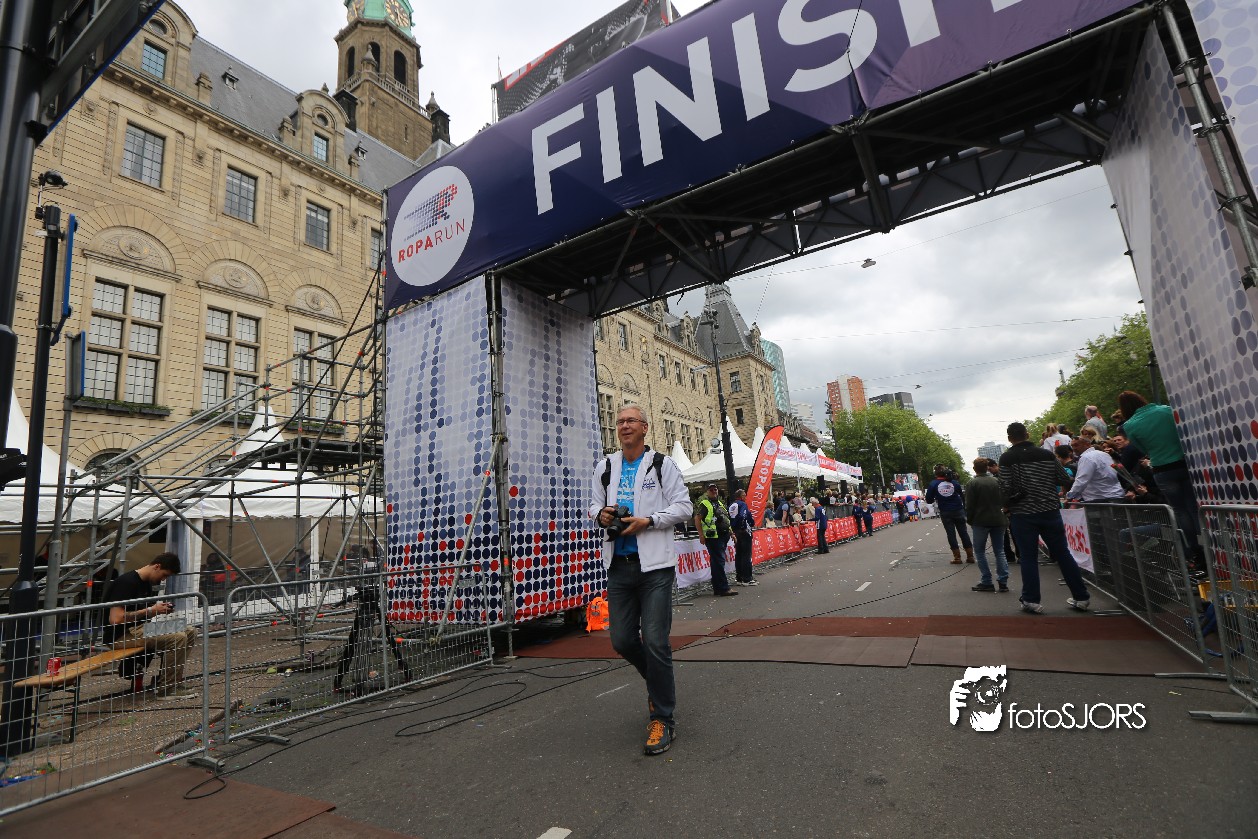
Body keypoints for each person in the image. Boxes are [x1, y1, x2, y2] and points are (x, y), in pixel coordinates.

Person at [590, 404, 693, 755]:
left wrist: (648, 521)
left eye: (631, 420)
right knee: (621, 640)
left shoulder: (662, 464)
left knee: (655, 640)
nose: (624, 425)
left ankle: (662, 717)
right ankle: (660, 683)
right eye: (620, 421)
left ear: (645, 428)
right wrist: (602, 515)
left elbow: (683, 507)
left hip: (655, 568)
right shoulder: (605, 466)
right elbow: (593, 506)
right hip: (618, 566)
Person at [998, 422, 1091, 613]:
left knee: (1028, 557)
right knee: (1063, 553)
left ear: (1009, 438)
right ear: (1027, 434)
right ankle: (1081, 597)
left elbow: (1005, 486)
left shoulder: (1007, 458)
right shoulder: (1046, 454)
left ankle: (1031, 600)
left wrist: (1007, 506)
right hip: (1050, 510)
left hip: (1023, 513)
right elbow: (1063, 478)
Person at [1117, 390, 1206, 573]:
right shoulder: (1166, 410)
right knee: (1192, 505)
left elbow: (1142, 448)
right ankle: (1204, 541)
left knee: (1179, 510)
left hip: (1162, 469)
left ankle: (1194, 548)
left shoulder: (1130, 425)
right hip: (1183, 463)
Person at [104, 553, 200, 699]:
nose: (163, 579)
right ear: (157, 566)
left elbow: (142, 613)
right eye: (164, 575)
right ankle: (167, 689)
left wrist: (157, 610)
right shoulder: (127, 582)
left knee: (190, 630)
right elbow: (115, 619)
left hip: (139, 629)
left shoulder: (147, 583)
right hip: (121, 635)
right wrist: (150, 610)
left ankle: (173, 681)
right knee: (178, 638)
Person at [966, 458, 1009, 592]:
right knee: (999, 551)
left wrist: (970, 520)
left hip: (980, 521)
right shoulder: (997, 481)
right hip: (998, 519)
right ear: (987, 468)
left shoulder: (972, 483)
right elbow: (1005, 498)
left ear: (975, 469)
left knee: (979, 551)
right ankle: (1003, 580)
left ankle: (987, 581)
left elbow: (969, 505)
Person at [695, 483, 738, 598]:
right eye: (711, 490)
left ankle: (718, 588)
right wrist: (701, 535)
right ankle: (723, 588)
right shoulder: (705, 504)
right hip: (713, 537)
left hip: (722, 536)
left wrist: (731, 533)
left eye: (715, 489)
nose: (714, 491)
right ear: (707, 492)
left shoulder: (720, 503)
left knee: (716, 563)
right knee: (719, 562)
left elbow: (725, 520)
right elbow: (697, 518)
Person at [925, 465, 973, 564]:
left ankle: (957, 558)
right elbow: (962, 496)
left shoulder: (933, 484)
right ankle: (970, 556)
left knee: (951, 534)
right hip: (958, 509)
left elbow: (929, 500)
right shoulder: (954, 482)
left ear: (935, 473)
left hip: (945, 511)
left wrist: (937, 497)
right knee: (963, 532)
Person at [1065, 436, 1127, 505]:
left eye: (1076, 445)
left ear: (1087, 444)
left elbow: (1082, 480)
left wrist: (1069, 497)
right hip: (1116, 495)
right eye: (1072, 446)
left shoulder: (1086, 457)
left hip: (1100, 499)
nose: (1074, 448)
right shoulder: (1104, 454)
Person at [728, 488, 757, 586]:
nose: (745, 497)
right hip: (743, 531)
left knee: (739, 554)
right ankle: (747, 578)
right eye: (744, 495)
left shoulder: (731, 505)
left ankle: (739, 578)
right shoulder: (742, 504)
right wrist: (743, 526)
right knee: (746, 555)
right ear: (741, 496)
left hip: (735, 532)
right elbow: (743, 516)